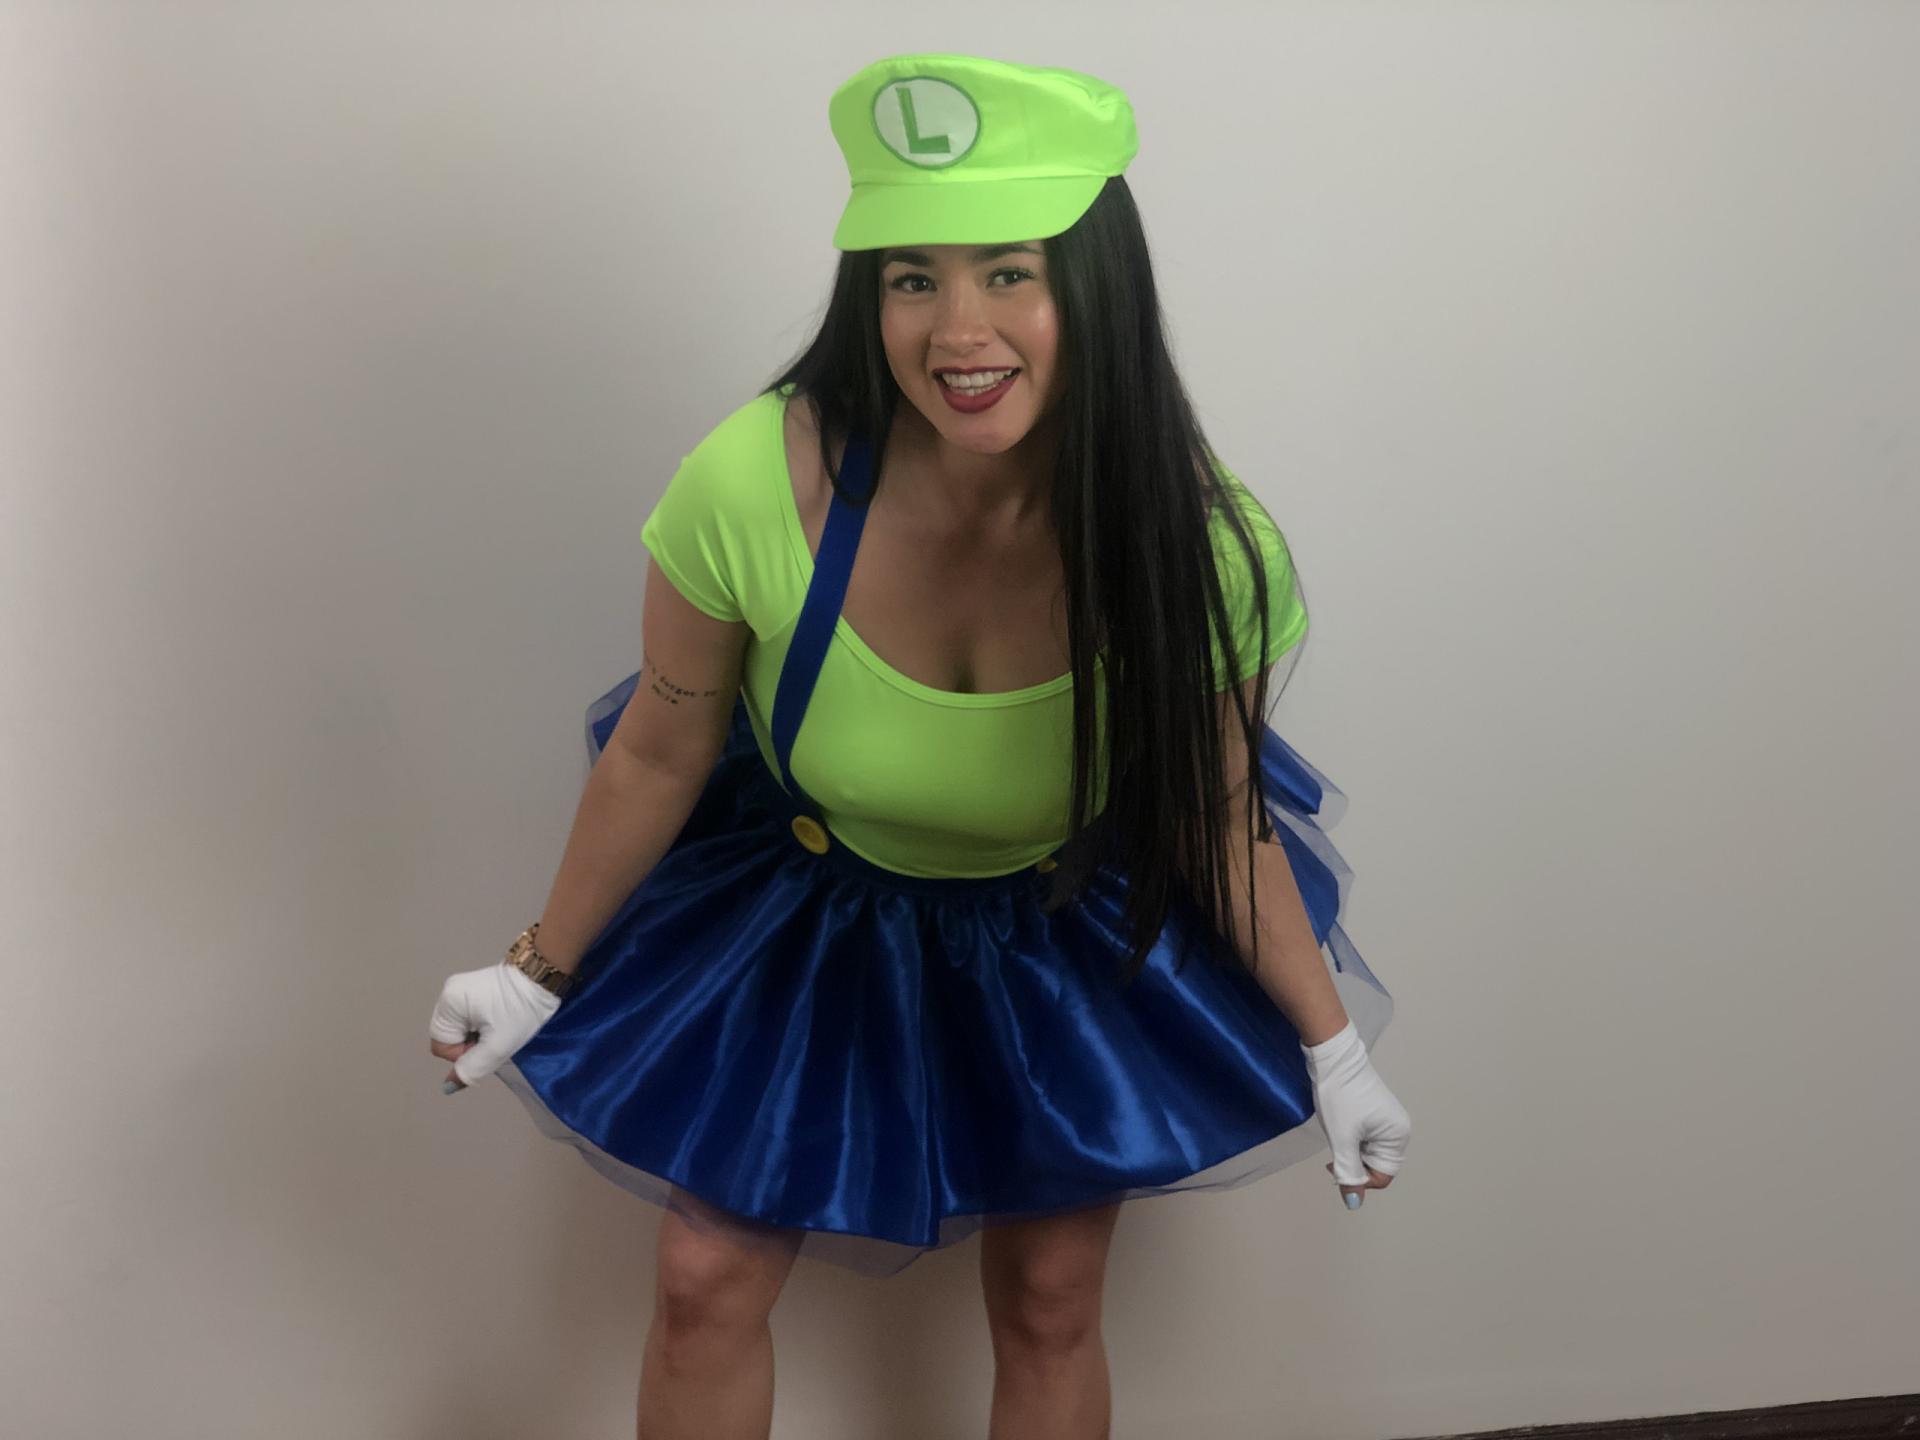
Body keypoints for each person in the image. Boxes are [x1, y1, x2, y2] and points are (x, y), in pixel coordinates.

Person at [428, 52, 1410, 1440]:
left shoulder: (1202, 546)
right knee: (704, 1280)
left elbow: (1218, 807)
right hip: (808, 908)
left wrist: (1334, 1049)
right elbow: (658, 752)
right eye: (911, 277)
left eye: (1011, 271)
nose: (959, 330)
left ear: (1097, 287)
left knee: (1053, 1299)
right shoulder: (752, 483)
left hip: (1058, 922)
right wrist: (536, 971)